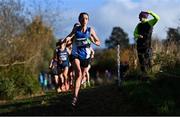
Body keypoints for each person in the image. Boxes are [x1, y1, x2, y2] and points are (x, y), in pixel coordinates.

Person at [63, 12, 101, 106]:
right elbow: (70, 35)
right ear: (79, 20)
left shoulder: (90, 30)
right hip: (75, 54)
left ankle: (78, 89)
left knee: (82, 75)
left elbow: (98, 42)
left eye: (86, 18)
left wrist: (93, 42)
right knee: (78, 73)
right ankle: (75, 97)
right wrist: (67, 39)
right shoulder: (76, 29)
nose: (84, 20)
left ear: (88, 20)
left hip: (86, 56)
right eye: (82, 18)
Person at [134, 10, 160, 75]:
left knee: (148, 60)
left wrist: (151, 12)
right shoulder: (138, 25)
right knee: (141, 61)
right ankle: (144, 75)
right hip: (139, 46)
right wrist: (138, 35)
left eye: (139, 17)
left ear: (143, 17)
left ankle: (150, 74)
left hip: (147, 46)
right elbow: (134, 33)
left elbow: (157, 18)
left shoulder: (150, 23)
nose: (139, 18)